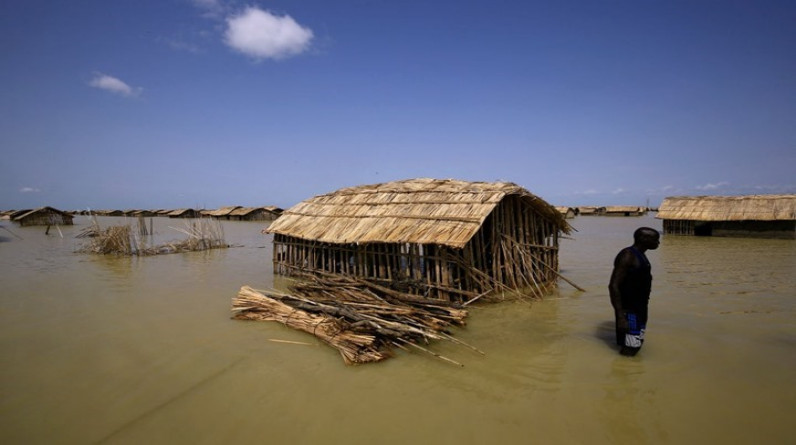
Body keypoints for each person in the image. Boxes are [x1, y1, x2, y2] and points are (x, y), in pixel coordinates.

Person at [609, 227, 660, 356]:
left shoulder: (641, 256)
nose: (658, 243)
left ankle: (629, 372)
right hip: (629, 311)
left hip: (640, 308)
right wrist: (620, 316)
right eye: (655, 239)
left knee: (636, 344)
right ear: (644, 239)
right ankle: (624, 373)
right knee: (630, 347)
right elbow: (613, 286)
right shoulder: (628, 255)